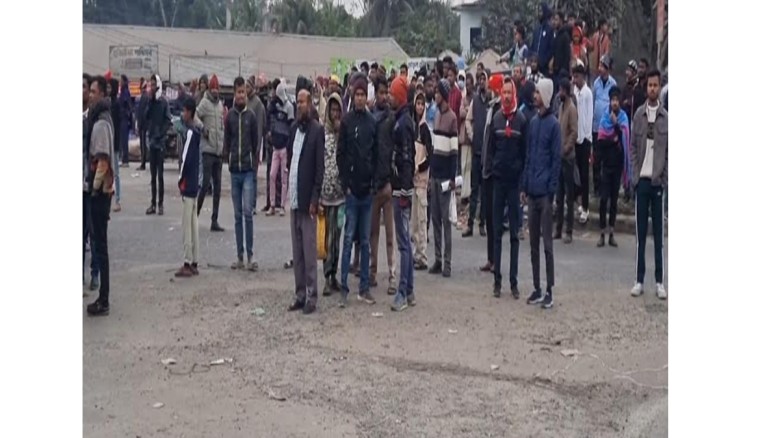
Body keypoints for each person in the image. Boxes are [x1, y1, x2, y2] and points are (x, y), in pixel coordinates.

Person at [337, 73, 378, 307]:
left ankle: (364, 288)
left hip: (367, 192)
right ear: (353, 96)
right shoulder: (346, 121)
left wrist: (373, 184)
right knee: (347, 240)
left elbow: (376, 155)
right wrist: (346, 185)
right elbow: (341, 154)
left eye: (363, 94)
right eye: (357, 94)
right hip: (352, 193)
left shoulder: (372, 123)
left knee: (365, 241)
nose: (360, 98)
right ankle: (344, 287)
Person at [485, 78, 527, 299]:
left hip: (514, 184)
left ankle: (513, 282)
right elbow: (490, 149)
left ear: (515, 94)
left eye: (510, 92)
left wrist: (522, 184)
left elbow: (524, 153)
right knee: (496, 233)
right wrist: (491, 171)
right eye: (505, 93)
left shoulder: (521, 120)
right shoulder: (496, 119)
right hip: (498, 183)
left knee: (514, 235)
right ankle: (497, 282)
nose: (507, 96)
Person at [521, 78, 560, 310]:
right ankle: (536, 287)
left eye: (537, 92)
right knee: (533, 244)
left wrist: (551, 190)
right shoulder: (534, 123)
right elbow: (529, 156)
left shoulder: (554, 125)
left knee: (547, 245)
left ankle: (549, 290)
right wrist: (525, 186)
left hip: (545, 194)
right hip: (533, 191)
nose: (534, 95)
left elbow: (555, 161)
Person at [286, 89, 325, 315]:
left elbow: (319, 170)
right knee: (297, 252)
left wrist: (314, 198)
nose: (299, 105)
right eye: (297, 102)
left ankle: (312, 295)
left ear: (310, 104)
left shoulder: (317, 131)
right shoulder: (294, 129)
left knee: (310, 252)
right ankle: (300, 293)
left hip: (308, 201)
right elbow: (291, 162)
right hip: (294, 198)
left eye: (302, 102)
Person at [630, 69, 667, 300]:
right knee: (640, 234)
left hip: (658, 182)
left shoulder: (666, 118)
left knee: (658, 236)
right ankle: (639, 279)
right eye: (649, 85)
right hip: (642, 181)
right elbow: (633, 148)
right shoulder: (638, 115)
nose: (652, 89)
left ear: (659, 87)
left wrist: (665, 178)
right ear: (646, 88)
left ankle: (660, 281)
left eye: (655, 85)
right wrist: (635, 176)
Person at [85, 75, 115, 316]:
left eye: (93, 92)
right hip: (101, 192)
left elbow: (102, 161)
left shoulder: (101, 123)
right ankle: (103, 297)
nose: (90, 95)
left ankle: (103, 299)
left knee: (100, 247)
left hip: (100, 194)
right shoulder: (100, 118)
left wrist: (94, 188)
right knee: (99, 245)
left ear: (102, 94)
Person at [224, 76, 260, 271]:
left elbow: (256, 143)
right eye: (238, 92)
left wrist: (253, 166)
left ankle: (250, 256)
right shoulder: (229, 117)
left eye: (243, 92)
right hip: (234, 172)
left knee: (248, 213)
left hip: (247, 172)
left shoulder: (251, 117)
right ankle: (239, 256)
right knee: (237, 215)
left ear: (246, 94)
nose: (240, 95)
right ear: (234, 93)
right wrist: (227, 160)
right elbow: (227, 141)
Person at [388, 76, 416, 311]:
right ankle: (410, 290)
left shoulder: (403, 123)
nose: (389, 97)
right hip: (400, 187)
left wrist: (404, 190)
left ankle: (403, 292)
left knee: (403, 243)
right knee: (405, 241)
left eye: (392, 93)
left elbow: (407, 158)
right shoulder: (402, 120)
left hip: (401, 189)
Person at [369, 75, 397, 295]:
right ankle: (372, 273)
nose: (384, 96)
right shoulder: (370, 119)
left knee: (389, 236)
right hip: (373, 185)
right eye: (381, 92)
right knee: (373, 235)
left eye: (386, 92)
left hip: (387, 183)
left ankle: (392, 276)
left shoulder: (391, 119)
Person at [429, 79, 458, 278]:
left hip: (446, 178)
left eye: (438, 92)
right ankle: (438, 259)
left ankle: (447, 262)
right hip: (435, 175)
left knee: (446, 222)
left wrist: (452, 177)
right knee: (435, 219)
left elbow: (454, 151)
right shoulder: (437, 114)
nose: (435, 95)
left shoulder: (452, 118)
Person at [596, 86, 631, 248]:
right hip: (606, 166)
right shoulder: (604, 118)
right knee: (603, 200)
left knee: (614, 201)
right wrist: (613, 141)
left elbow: (624, 142)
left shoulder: (623, 118)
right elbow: (601, 142)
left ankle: (611, 233)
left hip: (617, 166)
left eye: (617, 100)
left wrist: (616, 126)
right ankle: (602, 233)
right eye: (612, 100)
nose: (615, 103)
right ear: (609, 102)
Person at [479, 73, 506, 273]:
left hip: (494, 172)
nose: (487, 90)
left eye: (490, 87)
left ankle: (496, 259)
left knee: (495, 219)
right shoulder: (490, 109)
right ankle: (490, 258)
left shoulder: (499, 112)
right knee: (488, 217)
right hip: (486, 170)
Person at [321, 92, 345, 296]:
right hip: (325, 195)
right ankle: (327, 276)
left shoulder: (343, 135)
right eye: (333, 110)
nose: (335, 114)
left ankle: (334, 274)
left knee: (337, 237)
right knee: (327, 238)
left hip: (341, 196)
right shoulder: (322, 135)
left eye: (338, 110)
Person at [175, 97, 202, 278]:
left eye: (184, 111)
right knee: (194, 223)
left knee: (187, 225)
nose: (182, 114)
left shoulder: (190, 133)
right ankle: (194, 260)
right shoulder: (197, 132)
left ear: (190, 112)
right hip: (194, 183)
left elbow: (185, 160)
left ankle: (187, 261)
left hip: (188, 183)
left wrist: (180, 179)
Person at [195, 74, 226, 232]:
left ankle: (215, 219)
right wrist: (202, 128)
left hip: (218, 151)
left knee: (217, 188)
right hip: (207, 150)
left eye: (216, 89)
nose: (215, 91)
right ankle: (195, 215)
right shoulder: (204, 103)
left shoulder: (220, 105)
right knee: (205, 184)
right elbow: (195, 116)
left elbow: (221, 126)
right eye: (213, 88)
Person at [463, 70, 489, 238]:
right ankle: (470, 224)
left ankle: (482, 224)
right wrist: (472, 135)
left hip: (488, 155)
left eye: (483, 79)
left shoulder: (492, 102)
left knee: (485, 192)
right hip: (476, 151)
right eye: (479, 79)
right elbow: (468, 120)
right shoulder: (475, 101)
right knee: (474, 190)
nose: (481, 82)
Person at [554, 78, 578, 244]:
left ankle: (568, 231)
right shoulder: (561, 107)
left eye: (561, 90)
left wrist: (566, 149)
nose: (559, 93)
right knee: (559, 195)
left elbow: (574, 133)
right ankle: (558, 229)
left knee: (569, 197)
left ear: (566, 91)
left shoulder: (571, 109)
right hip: (559, 158)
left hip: (568, 158)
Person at [411, 91, 433, 270]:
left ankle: (423, 256)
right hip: (412, 179)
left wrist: (419, 167)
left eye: (421, 104)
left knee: (422, 219)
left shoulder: (425, 129)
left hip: (422, 180)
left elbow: (429, 155)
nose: (419, 107)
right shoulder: (413, 126)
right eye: (417, 103)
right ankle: (416, 253)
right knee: (414, 220)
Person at [267, 81, 295, 216]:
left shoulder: (289, 107)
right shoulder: (275, 105)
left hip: (284, 147)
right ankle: (272, 204)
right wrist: (273, 103)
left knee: (284, 178)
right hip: (275, 146)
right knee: (272, 175)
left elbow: (291, 126)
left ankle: (282, 205)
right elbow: (269, 114)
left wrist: (289, 145)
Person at [144, 74, 171, 215]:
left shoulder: (164, 102)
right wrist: (150, 102)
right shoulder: (151, 101)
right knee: (152, 176)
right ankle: (152, 203)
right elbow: (146, 116)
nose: (152, 87)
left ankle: (161, 204)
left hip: (160, 142)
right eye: (151, 85)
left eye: (154, 84)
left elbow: (168, 120)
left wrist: (161, 133)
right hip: (152, 142)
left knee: (160, 175)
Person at [83, 73, 100, 292]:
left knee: (93, 233)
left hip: (91, 183)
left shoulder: (94, 118)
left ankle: (95, 273)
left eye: (85, 87)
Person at [591, 55, 617, 194]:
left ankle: (606, 187)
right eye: (600, 66)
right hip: (596, 127)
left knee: (606, 159)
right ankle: (596, 186)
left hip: (607, 128)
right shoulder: (595, 83)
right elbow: (593, 100)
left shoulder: (613, 83)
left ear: (608, 69)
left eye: (602, 66)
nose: (600, 69)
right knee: (596, 158)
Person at [572, 65, 594, 224]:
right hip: (575, 137)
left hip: (584, 139)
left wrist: (587, 137)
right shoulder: (574, 92)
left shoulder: (587, 93)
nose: (575, 80)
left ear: (583, 77)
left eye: (577, 77)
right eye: (574, 77)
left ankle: (585, 207)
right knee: (576, 174)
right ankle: (578, 201)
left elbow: (589, 116)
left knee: (584, 175)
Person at [246, 76, 267, 216]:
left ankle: (252, 204)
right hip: (245, 145)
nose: (246, 89)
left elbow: (260, 127)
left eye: (248, 87)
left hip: (254, 146)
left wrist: (258, 147)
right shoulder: (246, 101)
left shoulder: (257, 104)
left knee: (253, 177)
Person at [107, 77, 122, 213]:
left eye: (109, 87)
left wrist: (115, 141)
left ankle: (118, 200)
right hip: (109, 141)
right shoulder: (108, 103)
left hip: (114, 142)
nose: (108, 89)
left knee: (116, 173)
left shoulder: (116, 104)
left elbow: (116, 125)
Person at [459, 73, 474, 204]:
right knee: (464, 166)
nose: (467, 87)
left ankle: (470, 193)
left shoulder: (475, 99)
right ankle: (464, 194)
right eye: (466, 85)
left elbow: (472, 114)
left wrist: (468, 110)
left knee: (470, 167)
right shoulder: (463, 98)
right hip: (464, 137)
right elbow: (461, 113)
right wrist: (468, 111)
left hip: (473, 137)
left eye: (469, 84)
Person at [550, 11, 572, 91]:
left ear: (561, 21)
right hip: (555, 71)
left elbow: (567, 55)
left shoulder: (565, 36)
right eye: (553, 20)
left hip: (562, 72)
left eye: (556, 20)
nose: (554, 22)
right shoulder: (555, 35)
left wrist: (563, 70)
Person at [531, 2, 554, 77]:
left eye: (541, 11)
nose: (539, 13)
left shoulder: (550, 29)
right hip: (534, 67)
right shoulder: (536, 29)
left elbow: (551, 49)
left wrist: (543, 61)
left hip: (544, 67)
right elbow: (533, 45)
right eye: (538, 11)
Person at [136, 77, 150, 171]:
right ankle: (143, 162)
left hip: (143, 125)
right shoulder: (144, 97)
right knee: (143, 144)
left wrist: (140, 124)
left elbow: (142, 112)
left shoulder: (144, 97)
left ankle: (143, 163)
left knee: (143, 144)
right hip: (143, 124)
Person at [118, 74, 133, 168]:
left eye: (121, 81)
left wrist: (125, 113)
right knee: (122, 140)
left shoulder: (125, 92)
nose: (120, 82)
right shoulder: (123, 91)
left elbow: (127, 105)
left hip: (124, 119)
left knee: (124, 141)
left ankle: (125, 160)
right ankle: (124, 159)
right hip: (123, 119)